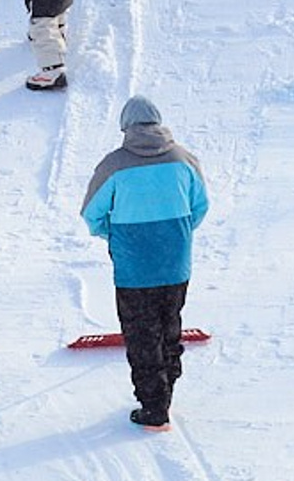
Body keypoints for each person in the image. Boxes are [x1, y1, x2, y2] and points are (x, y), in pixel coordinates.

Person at [81, 96, 209, 430]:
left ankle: (154, 409)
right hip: (176, 262)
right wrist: (174, 234)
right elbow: (200, 206)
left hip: (134, 266)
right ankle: (165, 394)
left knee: (141, 335)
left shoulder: (114, 165)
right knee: (169, 327)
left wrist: (114, 234)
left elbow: (91, 213)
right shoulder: (185, 160)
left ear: (126, 127)